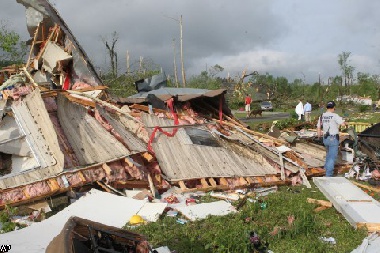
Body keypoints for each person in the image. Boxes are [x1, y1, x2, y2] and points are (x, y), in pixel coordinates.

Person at [317, 101, 348, 177]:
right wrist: (346, 123)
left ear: (327, 107)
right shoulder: (335, 116)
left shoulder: (322, 116)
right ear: (333, 108)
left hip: (325, 138)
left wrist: (319, 137)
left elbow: (318, 127)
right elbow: (343, 124)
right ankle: (328, 175)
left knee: (328, 155)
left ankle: (325, 169)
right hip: (333, 138)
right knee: (332, 157)